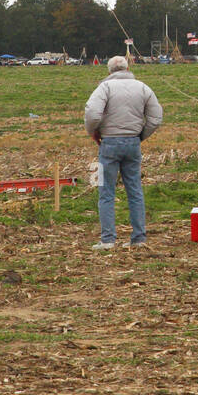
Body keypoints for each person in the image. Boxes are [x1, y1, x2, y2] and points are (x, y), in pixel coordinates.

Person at [84, 55, 163, 250]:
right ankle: (138, 238)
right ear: (128, 68)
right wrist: (140, 136)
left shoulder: (104, 88)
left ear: (109, 71)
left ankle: (108, 239)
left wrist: (93, 132)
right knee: (135, 191)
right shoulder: (143, 88)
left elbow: (93, 114)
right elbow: (156, 117)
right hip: (133, 144)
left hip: (108, 144)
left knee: (106, 192)